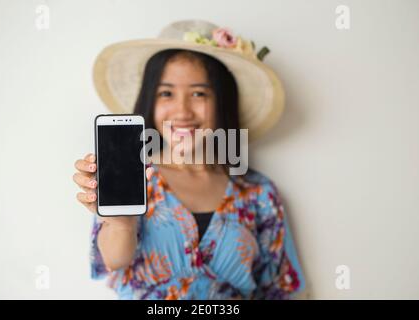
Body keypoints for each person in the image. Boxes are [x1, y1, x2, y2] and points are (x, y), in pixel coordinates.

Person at [73, 20, 306, 299]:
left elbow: (280, 290)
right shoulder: (133, 178)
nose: (182, 111)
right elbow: (114, 259)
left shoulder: (258, 193)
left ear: (221, 101)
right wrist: (122, 223)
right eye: (166, 93)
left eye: (198, 93)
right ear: (150, 101)